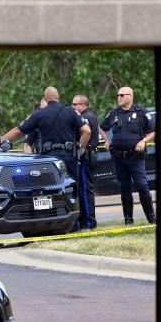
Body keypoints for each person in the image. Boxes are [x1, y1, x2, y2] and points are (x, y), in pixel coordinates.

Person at [0, 87, 91, 204]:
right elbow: (87, 131)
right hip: (69, 158)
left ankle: (54, 218)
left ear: (46, 99)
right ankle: (74, 221)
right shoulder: (70, 112)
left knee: (50, 192)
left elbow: (18, 130)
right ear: (58, 97)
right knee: (73, 191)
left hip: (49, 160)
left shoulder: (39, 114)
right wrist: (81, 148)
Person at [99, 86, 156, 225]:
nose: (119, 97)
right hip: (119, 157)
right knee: (124, 187)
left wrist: (143, 141)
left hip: (135, 157)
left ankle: (151, 218)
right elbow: (101, 127)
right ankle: (128, 220)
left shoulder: (142, 112)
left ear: (130, 96)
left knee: (142, 186)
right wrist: (106, 141)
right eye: (118, 95)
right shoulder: (114, 113)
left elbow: (153, 131)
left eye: (122, 95)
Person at [72, 94, 99, 229]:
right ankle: (86, 221)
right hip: (89, 154)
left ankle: (89, 222)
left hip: (86, 154)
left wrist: (81, 148)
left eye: (75, 104)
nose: (73, 107)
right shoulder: (89, 116)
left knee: (85, 190)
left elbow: (85, 134)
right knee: (83, 188)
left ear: (83, 105)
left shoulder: (86, 118)